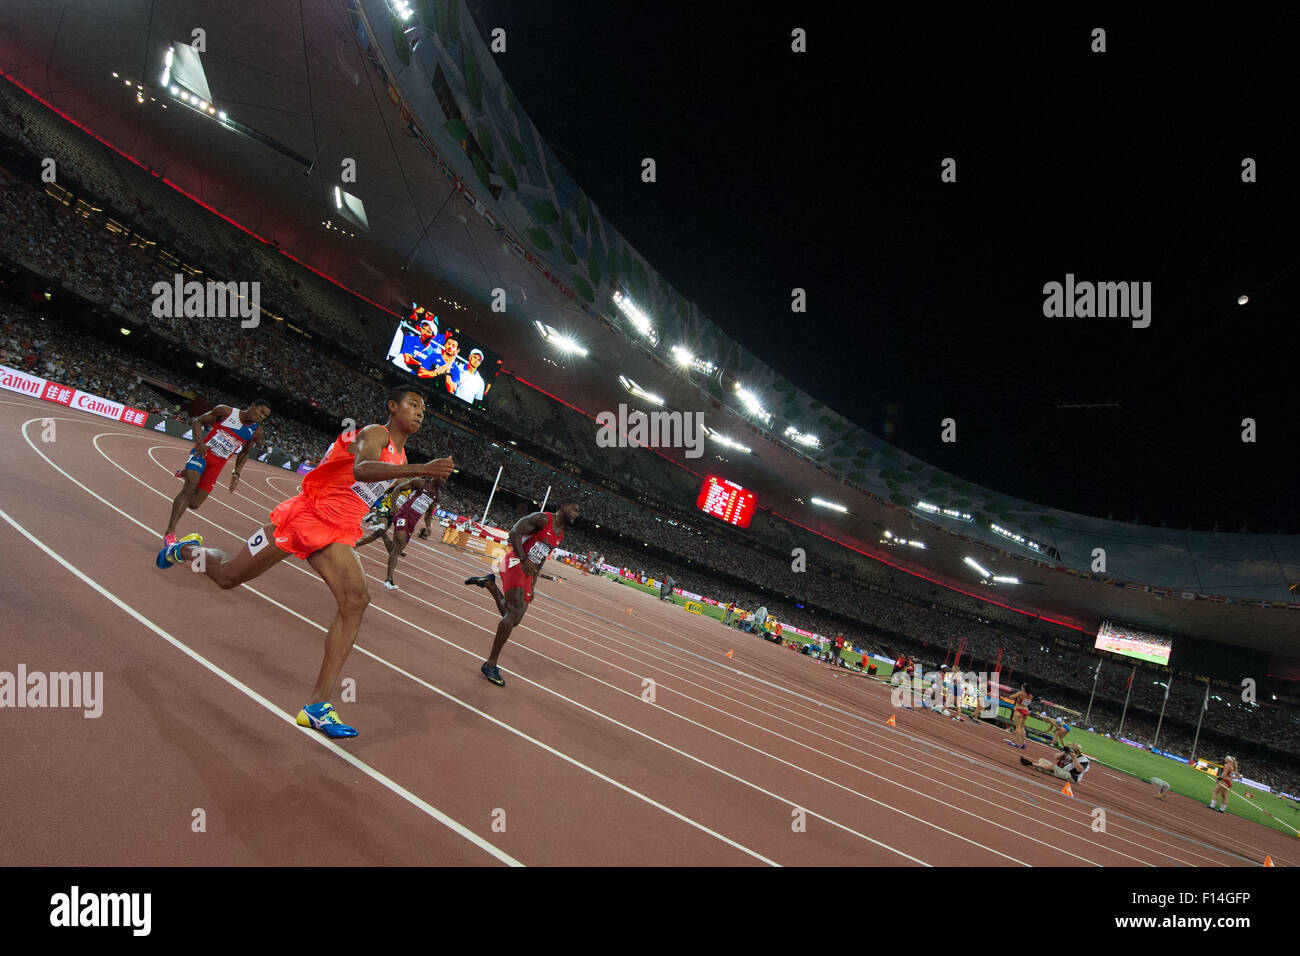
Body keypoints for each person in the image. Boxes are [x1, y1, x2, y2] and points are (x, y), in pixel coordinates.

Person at [154, 387, 455, 738]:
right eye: (413, 405)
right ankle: (184, 550)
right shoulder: (376, 433)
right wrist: (424, 468)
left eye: (424, 409)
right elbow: (361, 470)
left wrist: (410, 479)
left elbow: (368, 487)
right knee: (226, 577)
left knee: (355, 601)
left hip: (338, 530)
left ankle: (317, 706)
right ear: (393, 406)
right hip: (308, 516)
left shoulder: (401, 458)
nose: (420, 412)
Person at [463, 500, 581, 687]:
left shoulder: (560, 535)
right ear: (563, 507)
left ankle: (490, 584)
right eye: (574, 510)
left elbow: (541, 558)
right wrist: (523, 558)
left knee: (514, 618)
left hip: (529, 571)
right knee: (513, 613)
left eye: (578, 512)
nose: (577, 514)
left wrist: (533, 584)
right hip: (516, 562)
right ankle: (490, 663)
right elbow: (514, 532)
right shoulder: (542, 519)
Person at [163, 400, 271, 544]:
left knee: (194, 503)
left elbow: (245, 453)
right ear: (252, 406)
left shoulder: (256, 432)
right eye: (261, 411)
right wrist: (200, 443)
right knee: (190, 487)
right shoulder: (225, 412)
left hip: (217, 465)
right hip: (202, 454)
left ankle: (186, 473)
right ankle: (170, 532)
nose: (262, 416)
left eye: (265, 415)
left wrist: (236, 473)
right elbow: (198, 421)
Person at [355, 477, 441, 590]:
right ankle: (377, 521)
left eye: (447, 478)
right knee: (399, 540)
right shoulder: (419, 483)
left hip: (413, 520)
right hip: (402, 513)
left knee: (396, 548)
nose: (445, 479)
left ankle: (388, 580)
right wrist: (393, 505)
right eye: (444, 476)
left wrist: (428, 526)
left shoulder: (437, 495)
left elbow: (429, 512)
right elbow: (397, 488)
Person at [1020, 744, 1090, 784]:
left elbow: (1080, 770)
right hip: (1061, 769)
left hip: (1072, 776)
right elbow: (1055, 757)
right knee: (1042, 760)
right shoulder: (1068, 753)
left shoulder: (1084, 760)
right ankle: (1050, 771)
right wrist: (1064, 752)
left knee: (1052, 767)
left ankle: (1030, 763)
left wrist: (1074, 758)